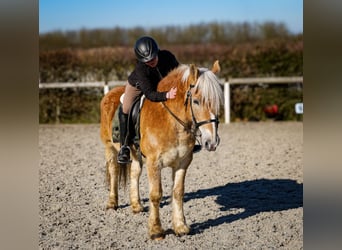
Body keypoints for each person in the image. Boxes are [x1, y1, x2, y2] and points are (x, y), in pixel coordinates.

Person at [117, 36, 179, 164]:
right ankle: (125, 146)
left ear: (157, 52)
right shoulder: (141, 68)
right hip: (138, 87)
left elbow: (179, 73)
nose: (151, 62)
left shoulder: (167, 56)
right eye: (147, 61)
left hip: (162, 83)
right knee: (126, 107)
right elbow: (150, 94)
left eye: (153, 58)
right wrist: (166, 95)